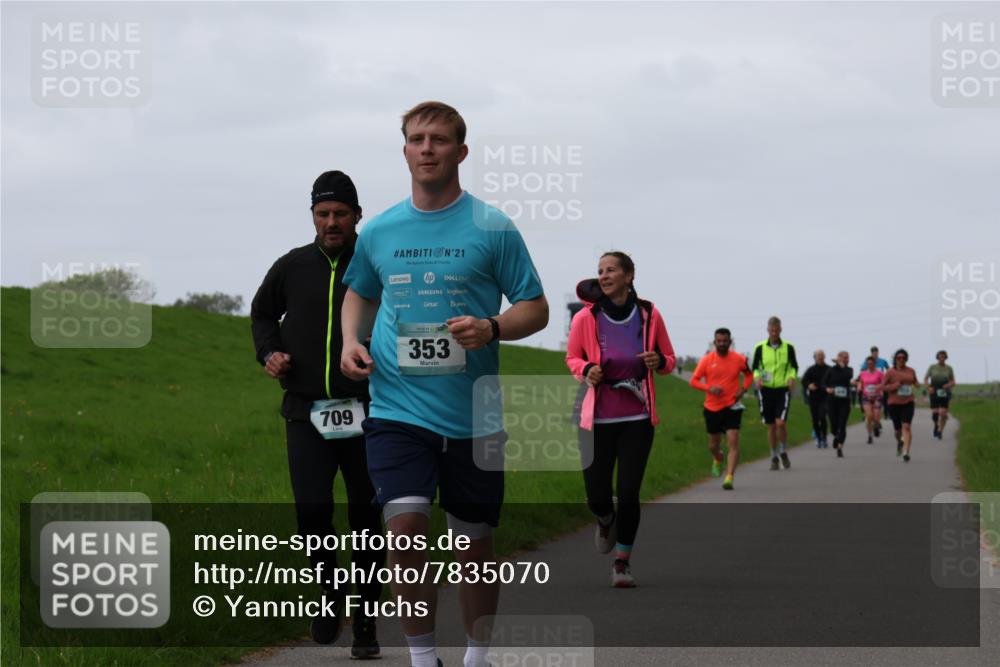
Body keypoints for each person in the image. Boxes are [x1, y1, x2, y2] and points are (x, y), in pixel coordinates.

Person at [339, 101, 548, 667]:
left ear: (460, 152)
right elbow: (359, 288)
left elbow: (536, 307)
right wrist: (349, 340)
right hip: (397, 410)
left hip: (473, 416)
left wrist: (493, 326)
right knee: (405, 533)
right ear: (404, 149)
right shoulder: (379, 230)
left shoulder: (493, 227)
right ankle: (422, 658)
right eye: (416, 138)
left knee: (473, 546)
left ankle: (476, 658)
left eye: (438, 139)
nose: (426, 148)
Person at [250, 170, 385, 658]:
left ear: (356, 217)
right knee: (312, 512)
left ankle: (367, 620)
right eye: (323, 213)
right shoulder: (292, 266)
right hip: (305, 412)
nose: (332, 222)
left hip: (368, 413)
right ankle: (330, 595)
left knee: (367, 518)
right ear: (313, 216)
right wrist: (269, 353)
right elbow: (262, 313)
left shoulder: (373, 266)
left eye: (341, 214)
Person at [566, 251, 676, 586]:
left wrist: (658, 360)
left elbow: (669, 359)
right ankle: (604, 518)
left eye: (611, 270)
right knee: (597, 495)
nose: (603, 275)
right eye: (600, 271)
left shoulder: (649, 314)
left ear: (629, 275)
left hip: (637, 417)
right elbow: (572, 358)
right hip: (595, 419)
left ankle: (622, 563)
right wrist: (586, 369)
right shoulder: (586, 317)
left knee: (628, 492)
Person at [689, 328, 752, 490]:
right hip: (712, 407)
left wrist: (743, 390)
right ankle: (718, 457)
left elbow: (749, 375)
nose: (722, 344)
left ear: (730, 342)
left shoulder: (739, 359)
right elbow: (694, 381)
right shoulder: (706, 360)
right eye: (719, 341)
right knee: (713, 445)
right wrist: (709, 388)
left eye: (725, 341)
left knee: (733, 439)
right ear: (714, 342)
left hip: (732, 405)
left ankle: (729, 477)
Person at [750, 316, 799, 470]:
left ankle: (783, 450)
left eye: (776, 330)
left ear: (780, 330)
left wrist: (791, 377)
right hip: (765, 390)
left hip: (782, 389)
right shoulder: (760, 347)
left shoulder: (789, 347)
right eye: (771, 330)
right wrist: (757, 378)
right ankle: (773, 456)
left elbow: (794, 366)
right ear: (767, 330)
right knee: (771, 426)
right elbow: (755, 367)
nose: (774, 333)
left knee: (781, 423)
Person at [882, 348, 921, 462]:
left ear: (906, 359)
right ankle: (899, 442)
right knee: (898, 431)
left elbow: (916, 382)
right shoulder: (890, 371)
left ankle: (906, 452)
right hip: (894, 403)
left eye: (903, 358)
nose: (901, 359)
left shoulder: (911, 370)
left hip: (908, 402)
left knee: (907, 427)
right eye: (899, 357)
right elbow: (882, 387)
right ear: (895, 359)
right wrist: (895, 386)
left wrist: (917, 385)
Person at [822, 351, 853, 457]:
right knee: (834, 426)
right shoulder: (831, 370)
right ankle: (836, 436)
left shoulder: (849, 370)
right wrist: (827, 389)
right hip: (832, 401)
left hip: (844, 402)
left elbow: (848, 377)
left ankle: (840, 447)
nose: (845, 359)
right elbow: (823, 383)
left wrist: (842, 365)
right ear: (838, 358)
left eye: (847, 358)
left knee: (842, 424)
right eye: (843, 357)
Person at [801, 349, 830, 448]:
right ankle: (818, 438)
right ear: (815, 358)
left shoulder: (829, 369)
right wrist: (809, 385)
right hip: (814, 398)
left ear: (824, 357)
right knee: (815, 419)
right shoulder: (811, 369)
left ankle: (824, 438)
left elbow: (834, 380)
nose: (820, 357)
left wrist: (830, 387)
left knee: (822, 417)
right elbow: (804, 380)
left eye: (822, 355)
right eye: (818, 356)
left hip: (825, 397)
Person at [925, 350, 956, 440]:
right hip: (934, 390)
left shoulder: (949, 368)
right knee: (935, 413)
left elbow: (953, 381)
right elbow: (926, 378)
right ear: (937, 357)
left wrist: (948, 385)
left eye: (943, 356)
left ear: (945, 358)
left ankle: (940, 431)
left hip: (944, 391)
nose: (941, 358)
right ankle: (936, 425)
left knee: (943, 413)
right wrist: (928, 387)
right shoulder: (932, 367)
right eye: (940, 356)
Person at [856, 356, 885, 444]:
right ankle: (870, 435)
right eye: (868, 363)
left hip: (877, 397)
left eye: (871, 363)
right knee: (869, 416)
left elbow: (884, 383)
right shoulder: (863, 373)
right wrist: (859, 387)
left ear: (874, 364)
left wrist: (880, 388)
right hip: (866, 397)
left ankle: (876, 426)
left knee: (876, 417)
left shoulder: (879, 373)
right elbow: (860, 382)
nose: (870, 365)